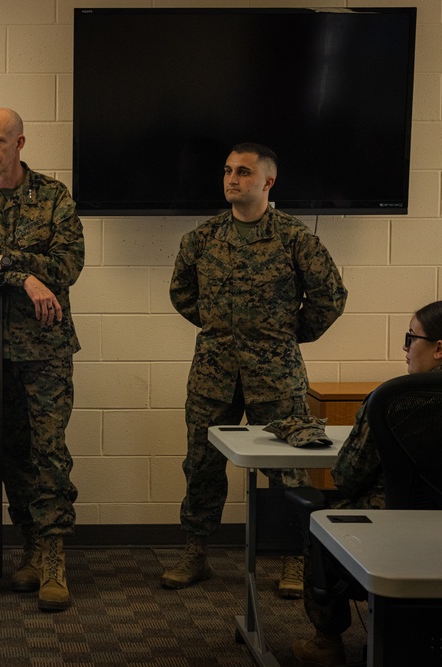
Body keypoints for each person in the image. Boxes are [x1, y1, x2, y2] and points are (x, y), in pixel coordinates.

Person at [164, 143, 348, 598]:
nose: (231, 179)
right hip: (214, 370)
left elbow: (330, 297)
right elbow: (181, 293)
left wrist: (285, 336)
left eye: (243, 172)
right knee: (202, 465)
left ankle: (293, 557)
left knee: (287, 469)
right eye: (227, 170)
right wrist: (222, 330)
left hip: (276, 373)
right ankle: (196, 553)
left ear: (268, 182)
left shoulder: (295, 239)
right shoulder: (202, 239)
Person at [293, 299, 442, 666]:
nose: (404, 348)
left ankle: (327, 643)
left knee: (321, 525)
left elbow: (348, 477)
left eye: (409, 338)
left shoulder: (394, 398)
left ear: (439, 349)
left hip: (397, 524)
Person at [0, 108, 84, 612]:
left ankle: (53, 558)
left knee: (48, 452)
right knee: (8, 453)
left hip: (45, 349)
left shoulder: (53, 197)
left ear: (21, 142)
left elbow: (68, 266)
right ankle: (27, 545)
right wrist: (27, 277)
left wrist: (6, 261)